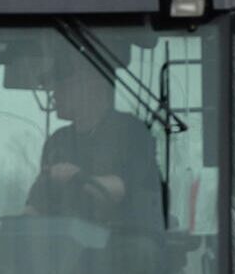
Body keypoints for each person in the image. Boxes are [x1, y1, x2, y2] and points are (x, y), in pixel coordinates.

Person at [24, 54, 162, 230]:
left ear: (92, 85)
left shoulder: (131, 131)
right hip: (68, 247)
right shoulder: (57, 141)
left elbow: (121, 189)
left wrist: (77, 177)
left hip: (123, 243)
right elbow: (36, 205)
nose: (55, 94)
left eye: (63, 85)